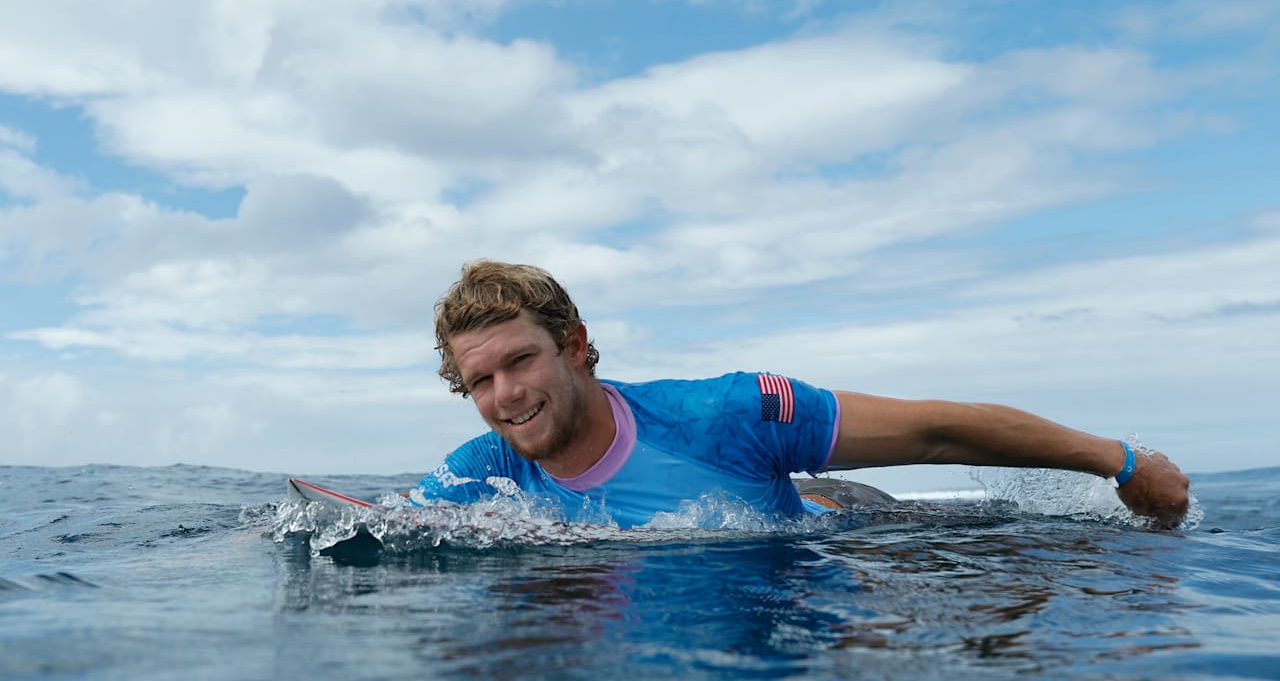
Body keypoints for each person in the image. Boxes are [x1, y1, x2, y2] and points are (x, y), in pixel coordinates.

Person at [410, 260, 1190, 529]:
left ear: (575, 347)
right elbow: (383, 527)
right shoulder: (485, 468)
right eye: (480, 380)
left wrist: (1120, 461)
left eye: (521, 361)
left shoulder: (726, 413)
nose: (505, 393)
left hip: (849, 524)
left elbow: (933, 433)